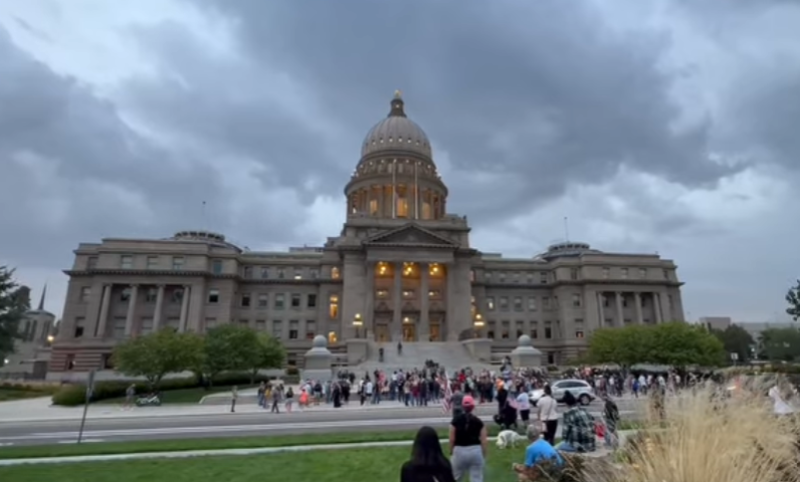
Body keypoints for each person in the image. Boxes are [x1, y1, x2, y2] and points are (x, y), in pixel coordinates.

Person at [449, 395, 487, 482]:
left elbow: (452, 439)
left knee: (456, 478)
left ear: (462, 406)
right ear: (473, 407)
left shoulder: (455, 421)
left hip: (459, 450)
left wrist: (451, 452)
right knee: (476, 478)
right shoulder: (479, 422)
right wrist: (484, 454)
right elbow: (484, 440)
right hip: (475, 450)